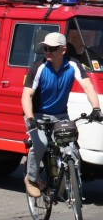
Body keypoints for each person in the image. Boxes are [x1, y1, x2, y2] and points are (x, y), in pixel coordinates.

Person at [22, 31, 102, 198]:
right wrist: (30, 119)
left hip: (60, 115)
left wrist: (96, 109)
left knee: (71, 148)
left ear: (63, 50)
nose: (47, 52)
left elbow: (88, 87)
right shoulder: (39, 67)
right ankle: (31, 179)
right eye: (45, 48)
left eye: (52, 49)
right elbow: (26, 95)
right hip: (37, 115)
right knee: (40, 143)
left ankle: (71, 180)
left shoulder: (73, 65)